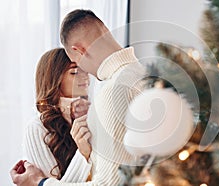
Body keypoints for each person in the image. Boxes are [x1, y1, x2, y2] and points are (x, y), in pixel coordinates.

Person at [11, 9, 145, 186]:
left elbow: (108, 184)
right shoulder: (146, 75)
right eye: (74, 72)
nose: (86, 75)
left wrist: (40, 183)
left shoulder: (111, 92)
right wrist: (87, 154)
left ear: (79, 50)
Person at [15, 48, 93, 184]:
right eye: (74, 72)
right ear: (54, 79)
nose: (85, 76)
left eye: (85, 70)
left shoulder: (92, 116)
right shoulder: (37, 128)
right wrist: (83, 154)